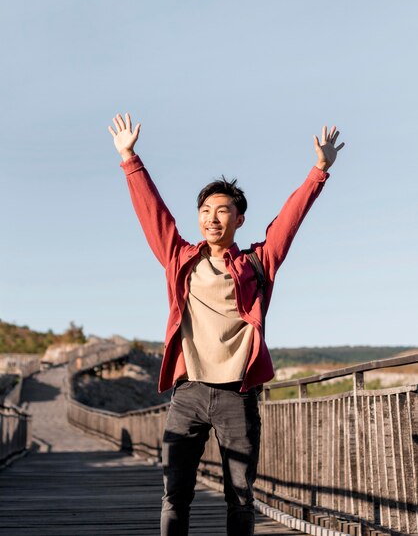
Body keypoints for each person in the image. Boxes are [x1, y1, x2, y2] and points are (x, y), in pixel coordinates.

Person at [108, 114, 344, 536]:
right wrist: (129, 158)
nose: (211, 218)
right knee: (174, 495)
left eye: (222, 211)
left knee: (240, 499)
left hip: (238, 394)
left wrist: (319, 170)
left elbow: (289, 222)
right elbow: (153, 214)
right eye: (204, 211)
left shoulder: (257, 262)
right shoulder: (180, 258)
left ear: (239, 219)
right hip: (189, 393)